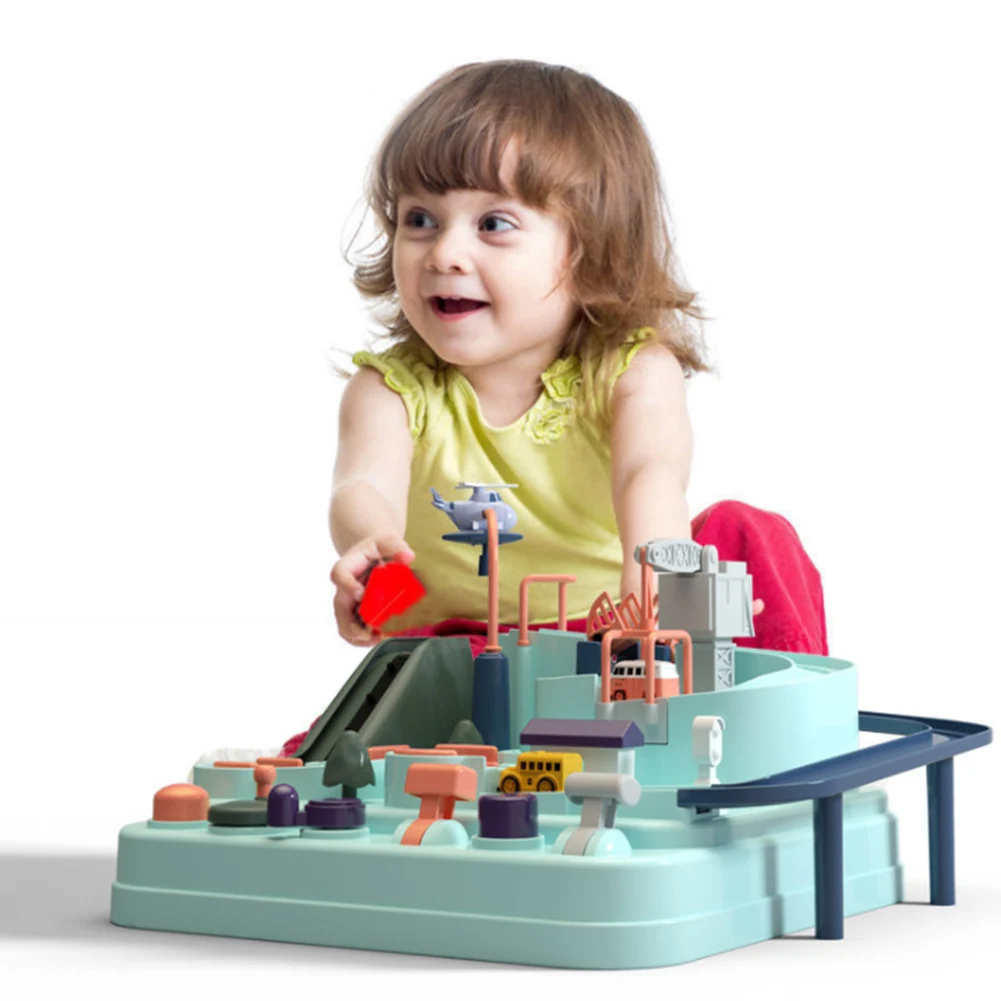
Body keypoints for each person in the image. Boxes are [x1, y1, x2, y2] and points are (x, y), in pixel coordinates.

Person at [282, 61, 827, 757]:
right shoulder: (389, 388)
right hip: (459, 641)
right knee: (322, 757)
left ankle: (790, 727)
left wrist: (650, 594)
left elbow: (650, 474)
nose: (443, 252)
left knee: (746, 532)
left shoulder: (633, 371)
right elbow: (362, 483)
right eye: (419, 219)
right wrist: (370, 546)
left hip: (606, 632)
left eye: (493, 223)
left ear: (589, 251)